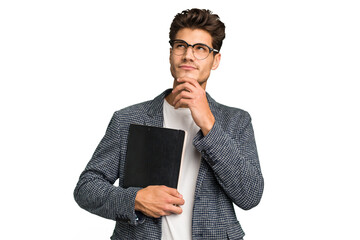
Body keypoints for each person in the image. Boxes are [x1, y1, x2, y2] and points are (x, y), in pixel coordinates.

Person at [74, 8, 264, 240]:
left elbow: (250, 195)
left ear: (215, 60)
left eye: (200, 49)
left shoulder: (237, 121)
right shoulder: (128, 119)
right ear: (171, 53)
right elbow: (86, 188)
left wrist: (208, 123)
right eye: (181, 46)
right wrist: (135, 200)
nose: (188, 55)